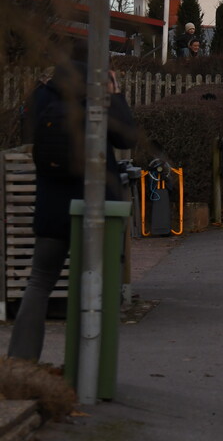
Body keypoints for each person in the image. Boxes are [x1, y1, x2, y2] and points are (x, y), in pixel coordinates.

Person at [8, 63, 137, 362]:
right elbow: (127, 137)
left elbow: (29, 131)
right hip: (93, 209)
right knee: (92, 283)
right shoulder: (97, 99)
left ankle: (20, 362)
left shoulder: (43, 95)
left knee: (39, 283)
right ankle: (84, 367)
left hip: (51, 209)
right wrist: (115, 93)